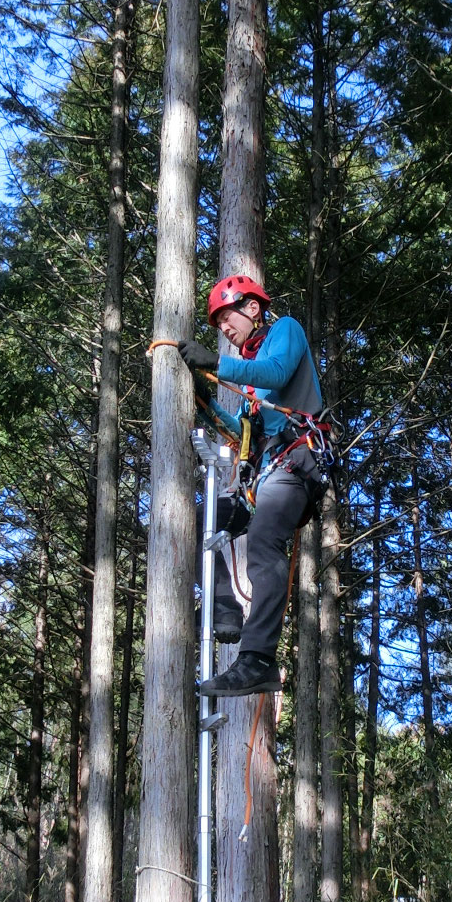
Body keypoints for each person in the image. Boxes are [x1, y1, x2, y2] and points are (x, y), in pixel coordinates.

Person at [177, 275, 327, 699]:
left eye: (228, 316)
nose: (224, 328)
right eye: (219, 323)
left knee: (262, 543)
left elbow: (278, 370)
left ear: (253, 308)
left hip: (296, 464)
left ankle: (258, 660)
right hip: (264, 476)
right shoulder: (248, 386)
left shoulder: (286, 331)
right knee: (199, 519)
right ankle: (225, 608)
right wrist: (202, 398)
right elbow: (241, 434)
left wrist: (217, 365)